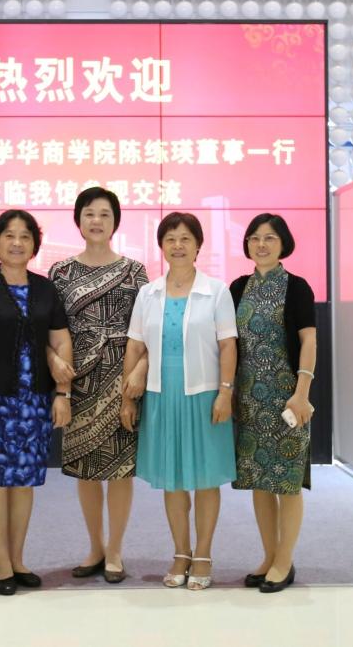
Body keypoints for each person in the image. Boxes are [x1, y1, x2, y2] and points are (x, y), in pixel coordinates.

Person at [120, 212, 237, 591]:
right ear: (161, 246)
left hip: (203, 395)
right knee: (172, 481)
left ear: (198, 245)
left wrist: (225, 391)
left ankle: (203, 554)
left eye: (186, 238)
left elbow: (227, 346)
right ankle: (181, 552)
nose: (178, 245)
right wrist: (127, 399)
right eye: (170, 239)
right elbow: (135, 346)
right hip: (161, 395)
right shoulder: (148, 294)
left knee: (205, 479)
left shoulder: (216, 291)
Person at [0, 209, 74, 596]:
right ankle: (1, 565)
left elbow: (60, 340)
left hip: (34, 402)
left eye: (25, 236)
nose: (16, 243)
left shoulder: (45, 289)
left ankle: (19, 559)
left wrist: (63, 394)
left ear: (34, 244)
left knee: (23, 483)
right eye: (9, 235)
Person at [48, 188, 148, 584]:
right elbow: (48, 328)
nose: (96, 221)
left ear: (115, 222)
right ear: (78, 220)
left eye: (105, 214)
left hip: (123, 379)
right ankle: (95, 547)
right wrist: (54, 365)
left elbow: (149, 329)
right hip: (78, 380)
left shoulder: (135, 271)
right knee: (87, 470)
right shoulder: (61, 272)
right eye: (89, 213)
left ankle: (116, 550)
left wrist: (139, 373)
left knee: (120, 470)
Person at [230, 213, 317, 594]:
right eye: (254, 238)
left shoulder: (296, 287)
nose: (261, 245)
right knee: (259, 482)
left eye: (269, 238)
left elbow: (309, 341)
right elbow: (229, 345)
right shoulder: (238, 288)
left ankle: (285, 561)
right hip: (249, 400)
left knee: (287, 482)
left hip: (288, 400)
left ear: (283, 244)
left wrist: (302, 392)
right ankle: (268, 557)